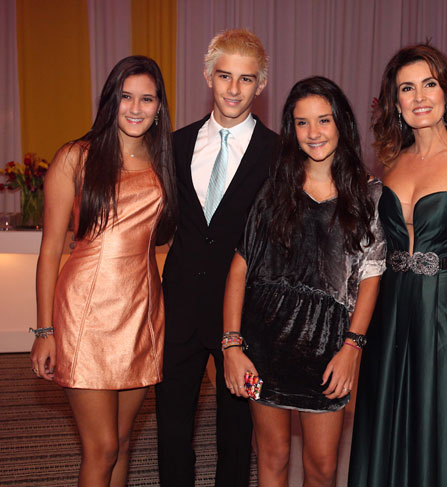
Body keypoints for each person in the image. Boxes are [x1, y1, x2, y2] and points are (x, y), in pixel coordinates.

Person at [349, 44, 447, 486]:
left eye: (429, 84)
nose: (419, 96)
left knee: (445, 425)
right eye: (407, 88)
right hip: (393, 313)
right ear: (395, 102)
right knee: (391, 420)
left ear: (445, 92)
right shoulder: (389, 165)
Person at [222, 76, 386, 487]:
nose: (313, 133)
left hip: (327, 353)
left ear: (341, 124)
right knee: (272, 459)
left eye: (323, 120)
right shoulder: (274, 190)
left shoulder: (369, 196)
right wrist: (231, 345)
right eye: (301, 123)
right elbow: (240, 267)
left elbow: (371, 277)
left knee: (322, 468)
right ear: (291, 130)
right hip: (264, 347)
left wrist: (352, 348)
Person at [29, 55, 176, 486]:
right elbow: (50, 250)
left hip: (141, 311)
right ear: (110, 101)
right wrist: (44, 331)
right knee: (103, 447)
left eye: (146, 99)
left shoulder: (164, 160)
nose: (135, 107)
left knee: (125, 440)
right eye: (126, 96)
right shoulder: (76, 157)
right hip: (86, 313)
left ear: (159, 107)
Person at [155, 29, 278, 487]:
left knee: (236, 431)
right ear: (208, 75)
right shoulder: (174, 144)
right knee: (171, 427)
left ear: (261, 85)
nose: (233, 88)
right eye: (224, 75)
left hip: (244, 316)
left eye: (245, 79)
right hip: (178, 307)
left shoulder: (279, 153)